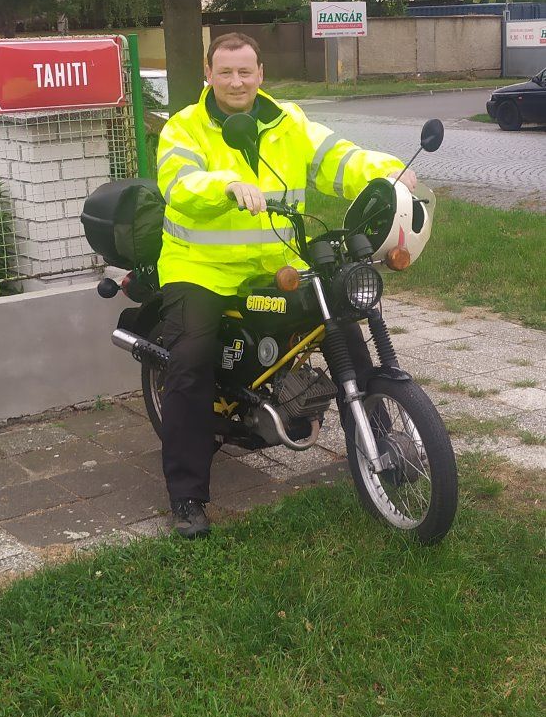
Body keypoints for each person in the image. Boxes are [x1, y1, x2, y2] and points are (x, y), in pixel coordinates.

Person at [156, 32, 417, 538]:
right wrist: (225, 185)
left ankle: (381, 445)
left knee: (342, 325)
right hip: (200, 267)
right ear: (207, 75)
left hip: (278, 262)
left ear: (261, 74)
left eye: (245, 71)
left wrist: (388, 172)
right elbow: (178, 183)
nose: (236, 81)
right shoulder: (184, 128)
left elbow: (338, 159)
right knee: (190, 362)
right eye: (225, 72)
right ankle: (186, 496)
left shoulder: (288, 122)